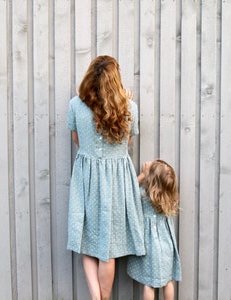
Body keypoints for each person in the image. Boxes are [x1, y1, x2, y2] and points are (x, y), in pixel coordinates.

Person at [67, 55, 145, 300]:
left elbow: (77, 140)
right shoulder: (130, 108)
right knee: (107, 248)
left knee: (86, 237)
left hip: (86, 177)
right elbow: (128, 143)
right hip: (117, 180)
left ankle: (95, 297)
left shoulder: (75, 105)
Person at [127, 160, 182, 300]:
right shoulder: (169, 198)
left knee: (149, 284)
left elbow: (128, 188)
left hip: (149, 247)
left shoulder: (143, 196)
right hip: (166, 246)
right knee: (168, 281)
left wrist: (143, 175)